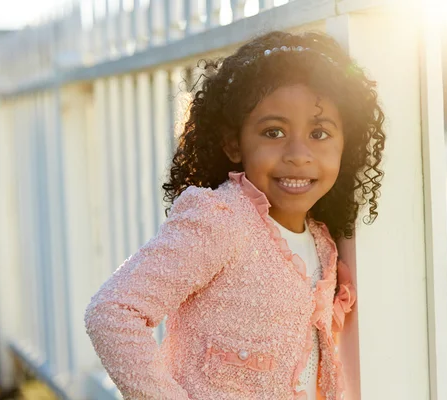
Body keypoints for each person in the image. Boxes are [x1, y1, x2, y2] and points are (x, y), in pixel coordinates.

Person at [84, 30, 385, 400]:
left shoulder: (322, 241)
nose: (298, 154)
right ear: (233, 143)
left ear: (345, 145)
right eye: (274, 132)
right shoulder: (220, 220)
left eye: (319, 133)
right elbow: (113, 311)